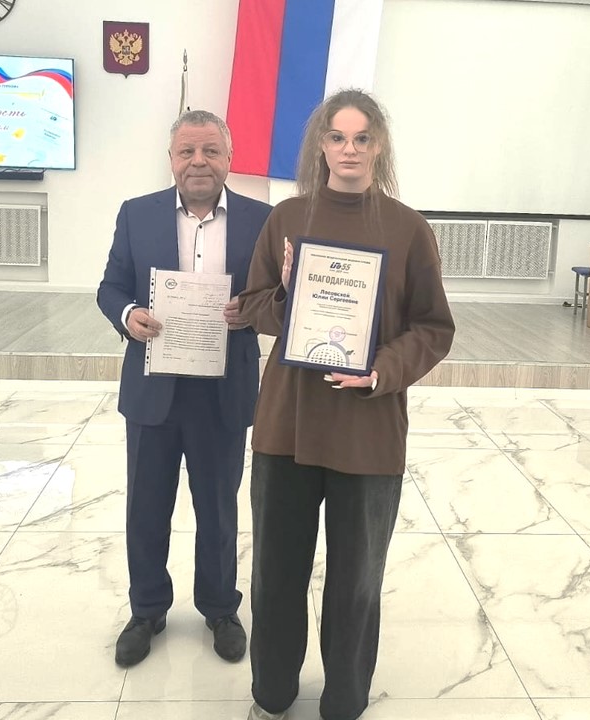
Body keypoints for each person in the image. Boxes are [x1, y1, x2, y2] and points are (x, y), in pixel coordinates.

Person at [238, 90, 455, 720]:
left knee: (357, 579)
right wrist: (286, 291)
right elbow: (253, 309)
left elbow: (433, 327)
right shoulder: (287, 218)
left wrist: (381, 370)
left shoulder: (408, 228)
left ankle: (345, 700)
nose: (350, 149)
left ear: (379, 145)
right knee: (276, 573)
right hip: (287, 427)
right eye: (338, 137)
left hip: (368, 431)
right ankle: (272, 692)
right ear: (321, 145)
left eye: (362, 138)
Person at [96, 109, 272, 667]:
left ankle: (220, 608)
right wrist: (128, 315)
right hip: (154, 387)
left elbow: (277, 296)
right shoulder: (137, 214)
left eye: (210, 151)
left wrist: (254, 310)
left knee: (218, 508)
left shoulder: (262, 220)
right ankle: (147, 609)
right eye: (187, 151)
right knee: (147, 506)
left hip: (223, 389)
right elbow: (110, 287)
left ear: (229, 158)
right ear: (171, 159)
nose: (199, 161)